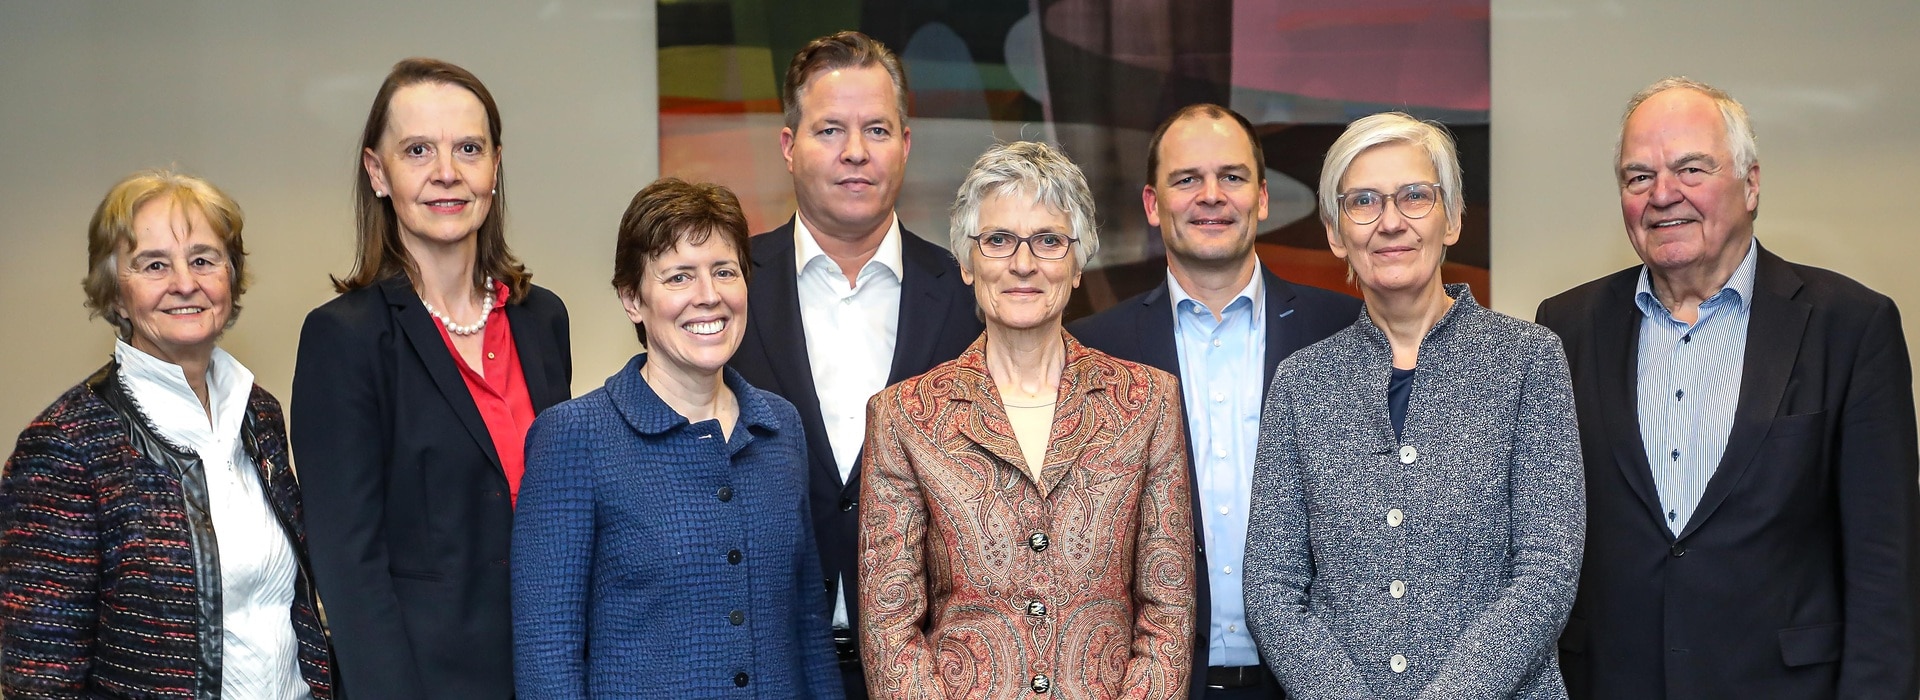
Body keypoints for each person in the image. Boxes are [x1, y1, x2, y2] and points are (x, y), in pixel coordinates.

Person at [1535, 77, 1919, 699]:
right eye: (1639, 177)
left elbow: (1884, 571)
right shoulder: (1564, 327)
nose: (1664, 195)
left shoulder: (1851, 327)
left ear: (1751, 184)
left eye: (1691, 168)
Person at [1243, 112, 1583, 699]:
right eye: (1364, 202)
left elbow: (1547, 569)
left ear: (1451, 219)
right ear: (1334, 231)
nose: (1391, 223)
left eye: (1416, 197)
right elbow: (1271, 589)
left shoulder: (1529, 360)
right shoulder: (1301, 384)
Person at [859, 140, 1195, 699]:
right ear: (967, 264)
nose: (1022, 263)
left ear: (1078, 262)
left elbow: (1169, 611)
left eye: (1048, 241)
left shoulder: (1147, 402)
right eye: (997, 240)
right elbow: (889, 625)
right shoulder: (904, 417)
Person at [291, 57, 572, 700]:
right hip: (424, 681)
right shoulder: (345, 338)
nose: (447, 172)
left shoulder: (541, 320)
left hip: (549, 670)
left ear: (495, 167)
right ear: (377, 172)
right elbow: (348, 568)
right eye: (418, 150)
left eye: (468, 149)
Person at [0, 169, 333, 698]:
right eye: (154, 264)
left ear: (230, 276)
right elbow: (41, 678)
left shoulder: (259, 415)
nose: (185, 282)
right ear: (114, 289)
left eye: (203, 259)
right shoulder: (64, 445)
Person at [1070, 102, 1361, 699]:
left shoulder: (1344, 332)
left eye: (1231, 177)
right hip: (1158, 683)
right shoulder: (1096, 350)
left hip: (1322, 681)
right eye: (1186, 179)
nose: (1211, 195)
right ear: (1153, 205)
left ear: (1261, 198)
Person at [511, 178, 841, 698]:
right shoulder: (575, 437)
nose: (708, 297)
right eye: (678, 276)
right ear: (631, 299)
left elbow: (807, 628)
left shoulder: (780, 427)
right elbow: (547, 653)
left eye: (725, 272)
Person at [726, 30, 982, 699]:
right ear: (788, 147)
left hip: (931, 668)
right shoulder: (725, 289)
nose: (856, 153)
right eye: (830, 130)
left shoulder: (967, 296)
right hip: (762, 661)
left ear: (906, 142)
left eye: (876, 129)